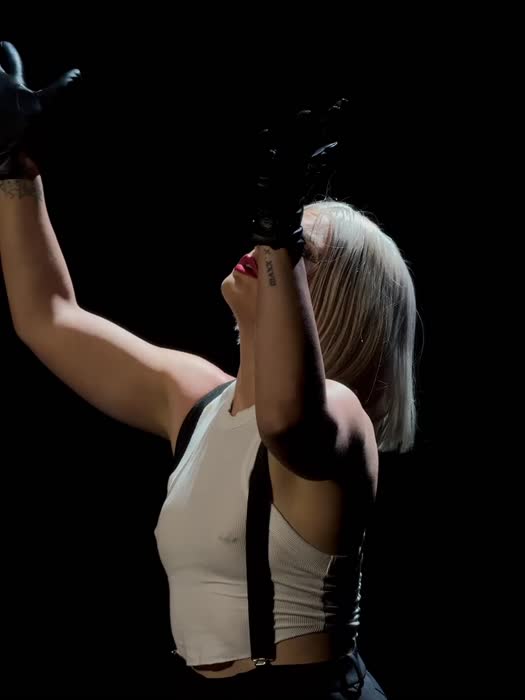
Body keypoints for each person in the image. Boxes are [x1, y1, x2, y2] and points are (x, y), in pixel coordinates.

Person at [1, 41, 416, 698]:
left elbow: (285, 418)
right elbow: (47, 316)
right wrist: (15, 170)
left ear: (326, 299)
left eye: (293, 243)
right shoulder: (196, 399)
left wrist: (279, 232)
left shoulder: (339, 416)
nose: (263, 243)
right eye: (270, 228)